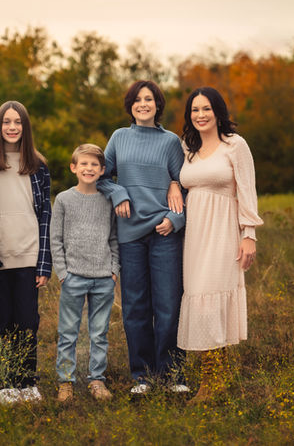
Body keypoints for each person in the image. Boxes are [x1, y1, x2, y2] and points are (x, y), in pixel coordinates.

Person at [97, 80, 188, 395]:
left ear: (158, 104)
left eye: (149, 99)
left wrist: (175, 219)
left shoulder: (171, 142)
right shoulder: (119, 138)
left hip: (164, 232)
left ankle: (172, 373)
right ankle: (143, 376)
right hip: (130, 235)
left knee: (168, 305)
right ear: (130, 105)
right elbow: (101, 176)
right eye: (137, 100)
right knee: (135, 306)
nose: (143, 104)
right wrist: (119, 191)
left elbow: (185, 183)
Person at [176, 86, 263, 404]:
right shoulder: (188, 147)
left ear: (218, 112)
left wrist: (249, 233)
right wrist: (174, 184)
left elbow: (247, 189)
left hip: (224, 231)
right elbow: (180, 177)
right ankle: (216, 376)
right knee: (199, 296)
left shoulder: (235, 145)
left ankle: (212, 383)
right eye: (194, 110)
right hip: (196, 234)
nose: (200, 115)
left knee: (213, 297)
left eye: (206, 109)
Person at [0, 100, 51, 406]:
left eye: (17, 122)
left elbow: (46, 213)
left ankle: (27, 382)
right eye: (6, 122)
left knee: (27, 323)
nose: (12, 127)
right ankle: (6, 383)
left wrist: (44, 264)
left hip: (30, 256)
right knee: (3, 324)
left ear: (25, 127)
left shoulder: (37, 165)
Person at [51, 144, 120, 403]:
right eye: (84, 164)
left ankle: (96, 379)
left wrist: (114, 270)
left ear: (102, 170)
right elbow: (55, 239)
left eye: (94, 165)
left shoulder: (107, 200)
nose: (89, 168)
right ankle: (66, 381)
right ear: (74, 167)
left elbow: (114, 237)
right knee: (68, 331)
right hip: (74, 277)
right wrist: (63, 273)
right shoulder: (64, 199)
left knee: (99, 333)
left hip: (103, 278)